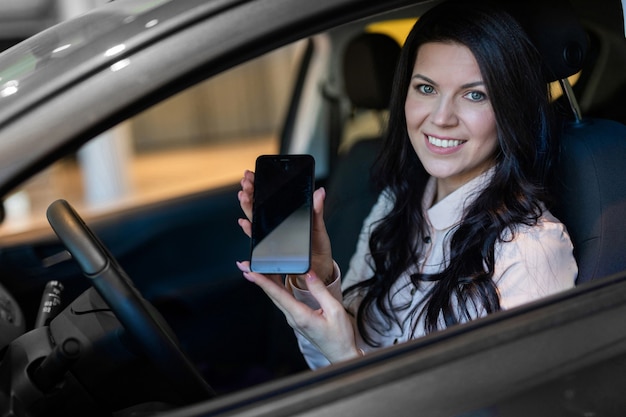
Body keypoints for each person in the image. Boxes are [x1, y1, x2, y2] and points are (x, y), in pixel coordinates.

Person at [236, 0, 578, 370]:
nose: (441, 118)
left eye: (475, 94)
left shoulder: (530, 250)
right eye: (426, 89)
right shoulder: (394, 202)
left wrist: (348, 358)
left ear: (510, 109)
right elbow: (329, 359)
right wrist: (317, 278)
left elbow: (504, 405)